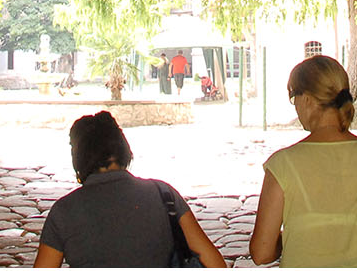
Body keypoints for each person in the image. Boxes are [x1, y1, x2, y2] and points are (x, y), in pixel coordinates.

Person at [249, 55, 357, 267]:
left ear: (307, 99)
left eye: (293, 97)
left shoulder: (283, 165)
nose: (295, 106)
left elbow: (261, 252)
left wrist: (295, 238)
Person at [33, 110, 225, 267]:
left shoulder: (64, 212)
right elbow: (215, 264)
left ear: (78, 156)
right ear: (123, 149)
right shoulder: (164, 195)